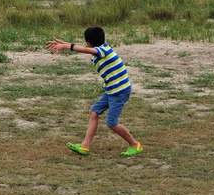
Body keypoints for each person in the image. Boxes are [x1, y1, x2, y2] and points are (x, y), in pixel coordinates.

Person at [46, 26, 143, 156]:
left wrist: (66, 46)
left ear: (89, 43)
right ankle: (85, 146)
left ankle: (134, 144)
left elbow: (85, 49)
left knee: (112, 123)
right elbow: (86, 49)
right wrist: (65, 44)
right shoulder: (104, 48)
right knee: (94, 112)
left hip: (119, 91)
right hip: (112, 90)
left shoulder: (102, 51)